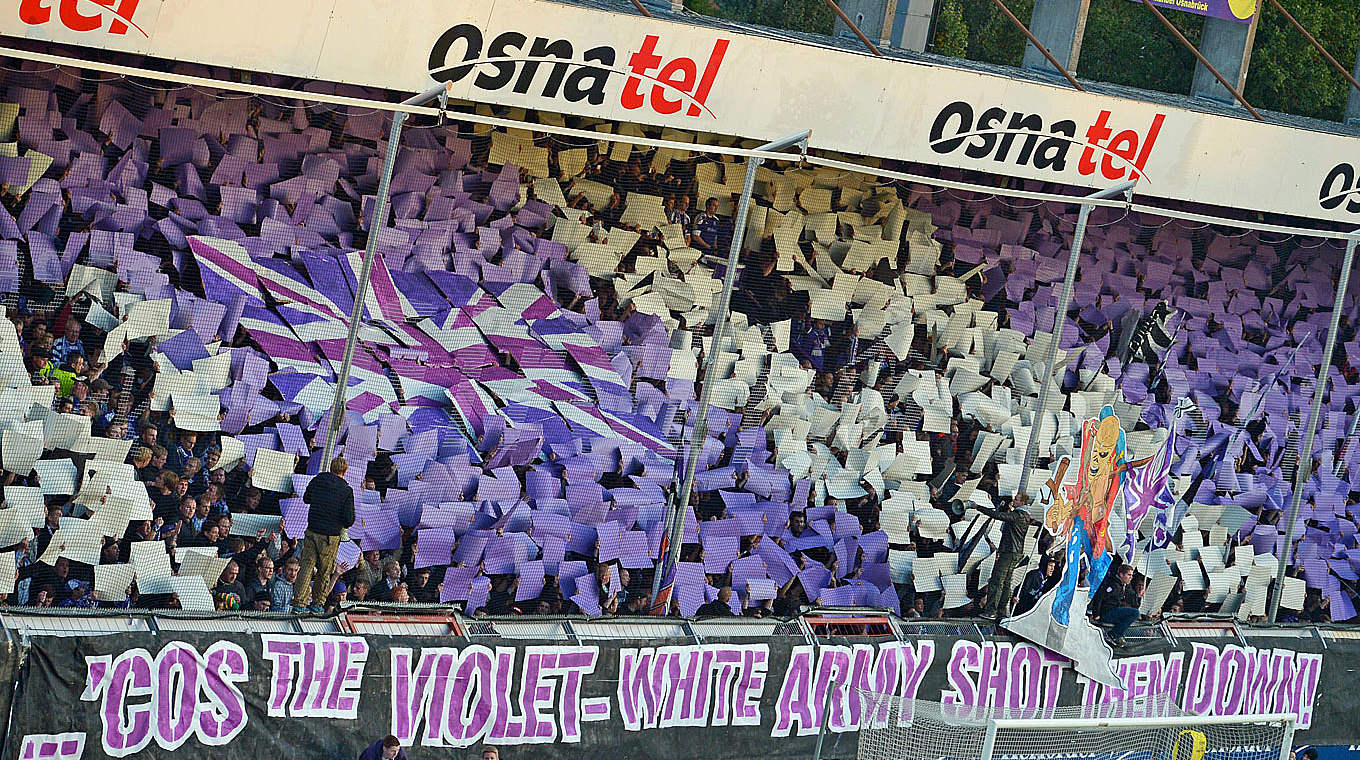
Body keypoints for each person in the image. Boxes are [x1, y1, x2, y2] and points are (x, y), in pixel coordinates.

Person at [292, 458, 355, 614]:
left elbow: (306, 498)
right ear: (344, 472)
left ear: (331, 467)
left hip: (312, 531)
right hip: (330, 537)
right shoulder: (346, 490)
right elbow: (349, 520)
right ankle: (318, 604)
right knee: (324, 571)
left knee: (306, 567)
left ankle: (299, 603)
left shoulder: (318, 479)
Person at [974, 494, 1036, 619]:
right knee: (1006, 582)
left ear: (1023, 503)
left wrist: (977, 507)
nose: (1014, 501)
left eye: (1017, 499)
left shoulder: (1018, 515)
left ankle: (991, 610)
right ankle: (1002, 611)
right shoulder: (1025, 516)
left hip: (1009, 552)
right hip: (1015, 552)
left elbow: (998, 515)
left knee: (997, 580)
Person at [1092, 563, 1141, 646]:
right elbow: (1099, 597)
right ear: (1121, 574)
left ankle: (1119, 636)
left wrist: (1138, 596)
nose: (1131, 578)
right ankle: (1113, 635)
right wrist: (1096, 614)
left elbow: (1133, 601)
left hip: (1114, 611)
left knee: (1130, 616)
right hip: (1107, 612)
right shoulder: (1112, 585)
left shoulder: (1124, 586)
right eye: (1129, 575)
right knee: (1135, 613)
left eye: (1132, 575)